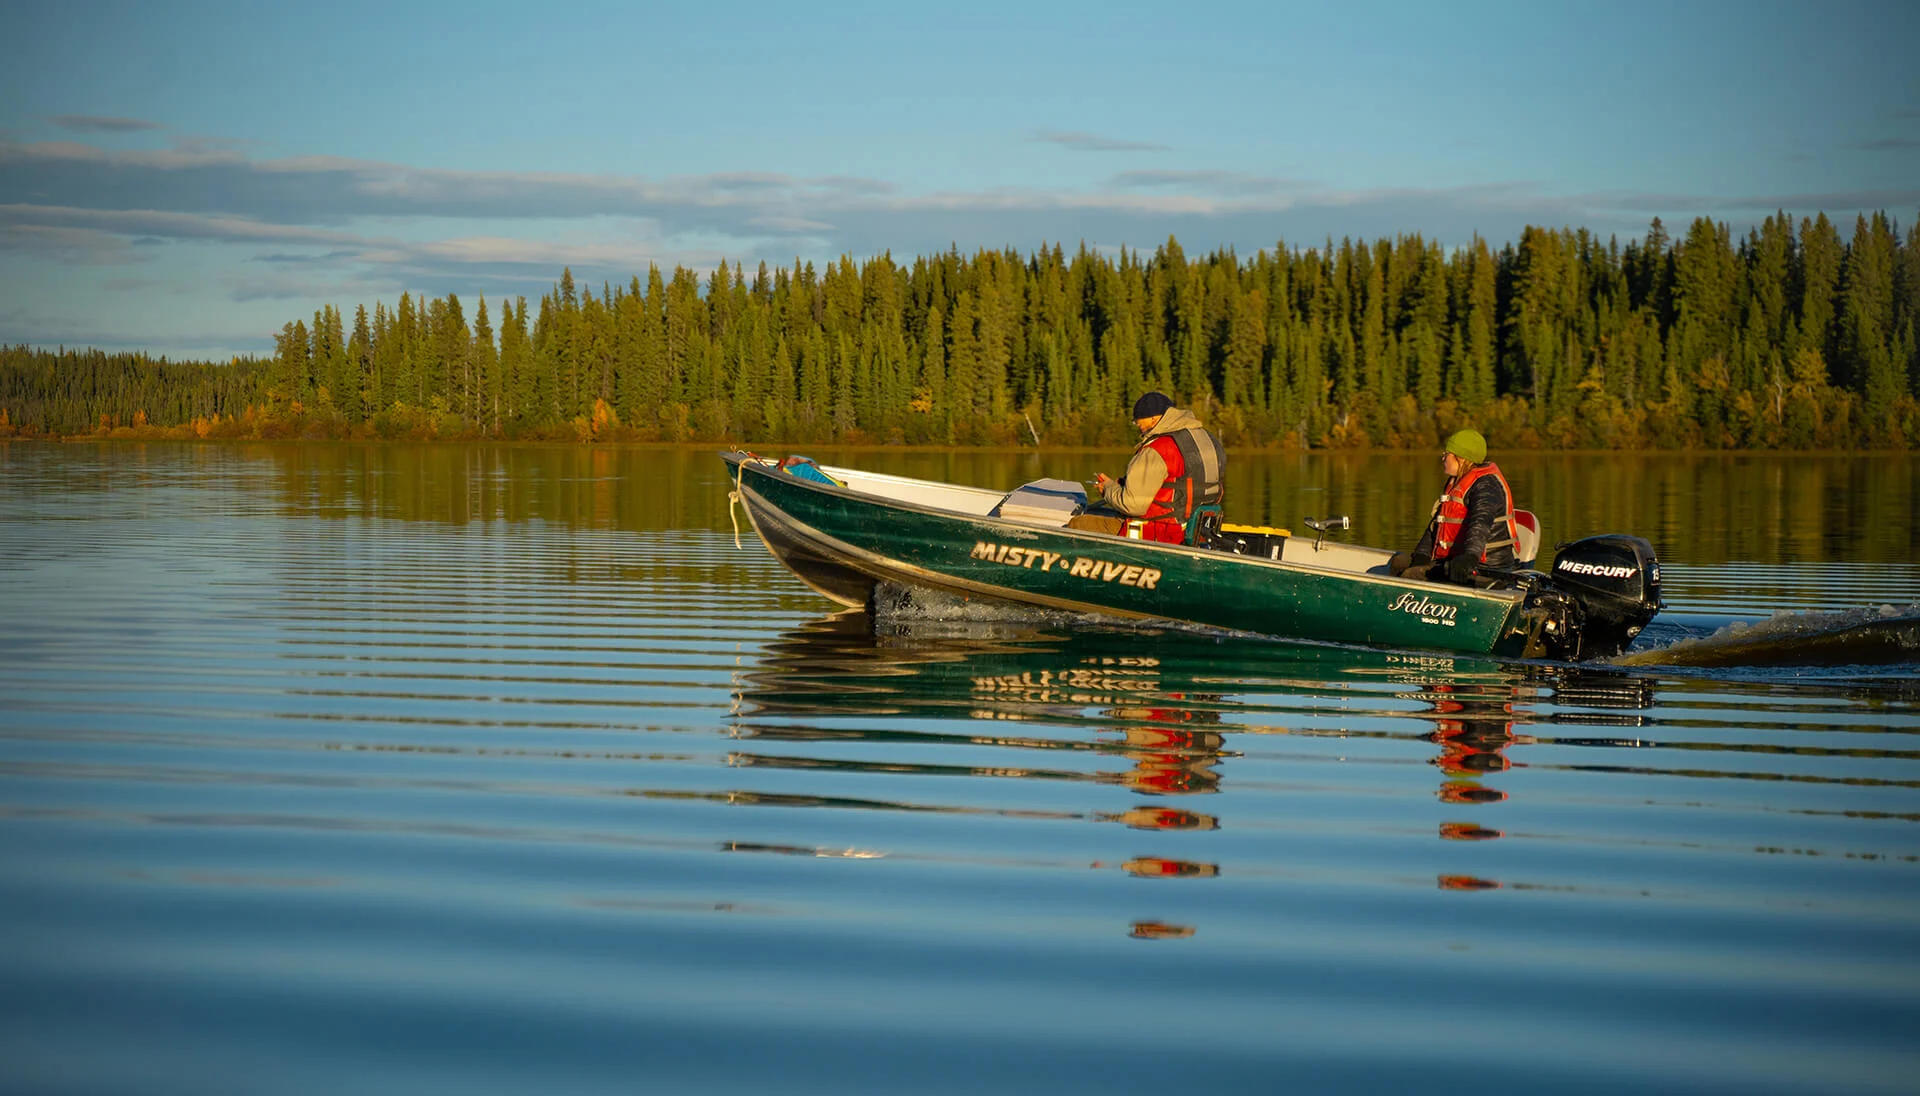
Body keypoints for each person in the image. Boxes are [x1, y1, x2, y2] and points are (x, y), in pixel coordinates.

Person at [1089, 391, 1226, 545]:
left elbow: (1132, 505)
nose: (1137, 425)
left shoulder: (1157, 449)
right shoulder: (1209, 440)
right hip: (1198, 532)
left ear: (1154, 418)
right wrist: (1119, 485)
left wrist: (1107, 489)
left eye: (1138, 420)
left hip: (1159, 533)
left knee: (1079, 523)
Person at [1390, 428, 1518, 584]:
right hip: (1456, 560)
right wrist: (1421, 556)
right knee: (1399, 562)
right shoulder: (1455, 482)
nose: (1443, 458)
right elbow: (1436, 526)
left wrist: (1470, 557)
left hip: (1487, 567)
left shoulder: (1486, 485)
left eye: (1446, 454)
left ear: (1461, 458)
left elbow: (1481, 524)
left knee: (1412, 575)